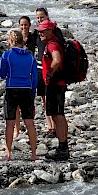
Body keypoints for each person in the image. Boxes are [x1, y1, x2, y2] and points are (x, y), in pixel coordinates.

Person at [0, 29, 38, 161]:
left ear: (10, 41)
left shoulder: (7, 55)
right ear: (23, 41)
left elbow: (2, 74)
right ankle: (34, 154)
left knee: (10, 123)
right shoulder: (30, 56)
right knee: (29, 123)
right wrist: (32, 93)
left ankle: (9, 153)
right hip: (26, 89)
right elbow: (35, 78)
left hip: (12, 88)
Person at [36, 20, 70, 161]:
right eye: (39, 31)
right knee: (57, 114)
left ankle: (63, 147)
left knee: (58, 114)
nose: (40, 33)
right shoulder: (52, 43)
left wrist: (49, 73)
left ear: (50, 31)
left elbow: (56, 59)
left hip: (55, 84)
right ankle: (63, 146)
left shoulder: (52, 44)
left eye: (43, 31)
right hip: (56, 83)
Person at [34, 7, 63, 138]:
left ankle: (58, 132)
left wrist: (50, 72)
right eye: (38, 18)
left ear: (47, 16)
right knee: (45, 99)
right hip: (41, 68)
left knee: (54, 105)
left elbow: (57, 57)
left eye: (41, 17)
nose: (39, 19)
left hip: (52, 72)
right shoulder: (38, 32)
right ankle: (51, 127)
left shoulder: (55, 34)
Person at [14, 16, 37, 136]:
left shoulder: (33, 37)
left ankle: (29, 127)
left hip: (29, 74)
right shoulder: (16, 38)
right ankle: (17, 129)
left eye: (26, 25)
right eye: (22, 25)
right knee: (16, 105)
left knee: (30, 103)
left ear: (29, 25)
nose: (24, 27)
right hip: (17, 74)